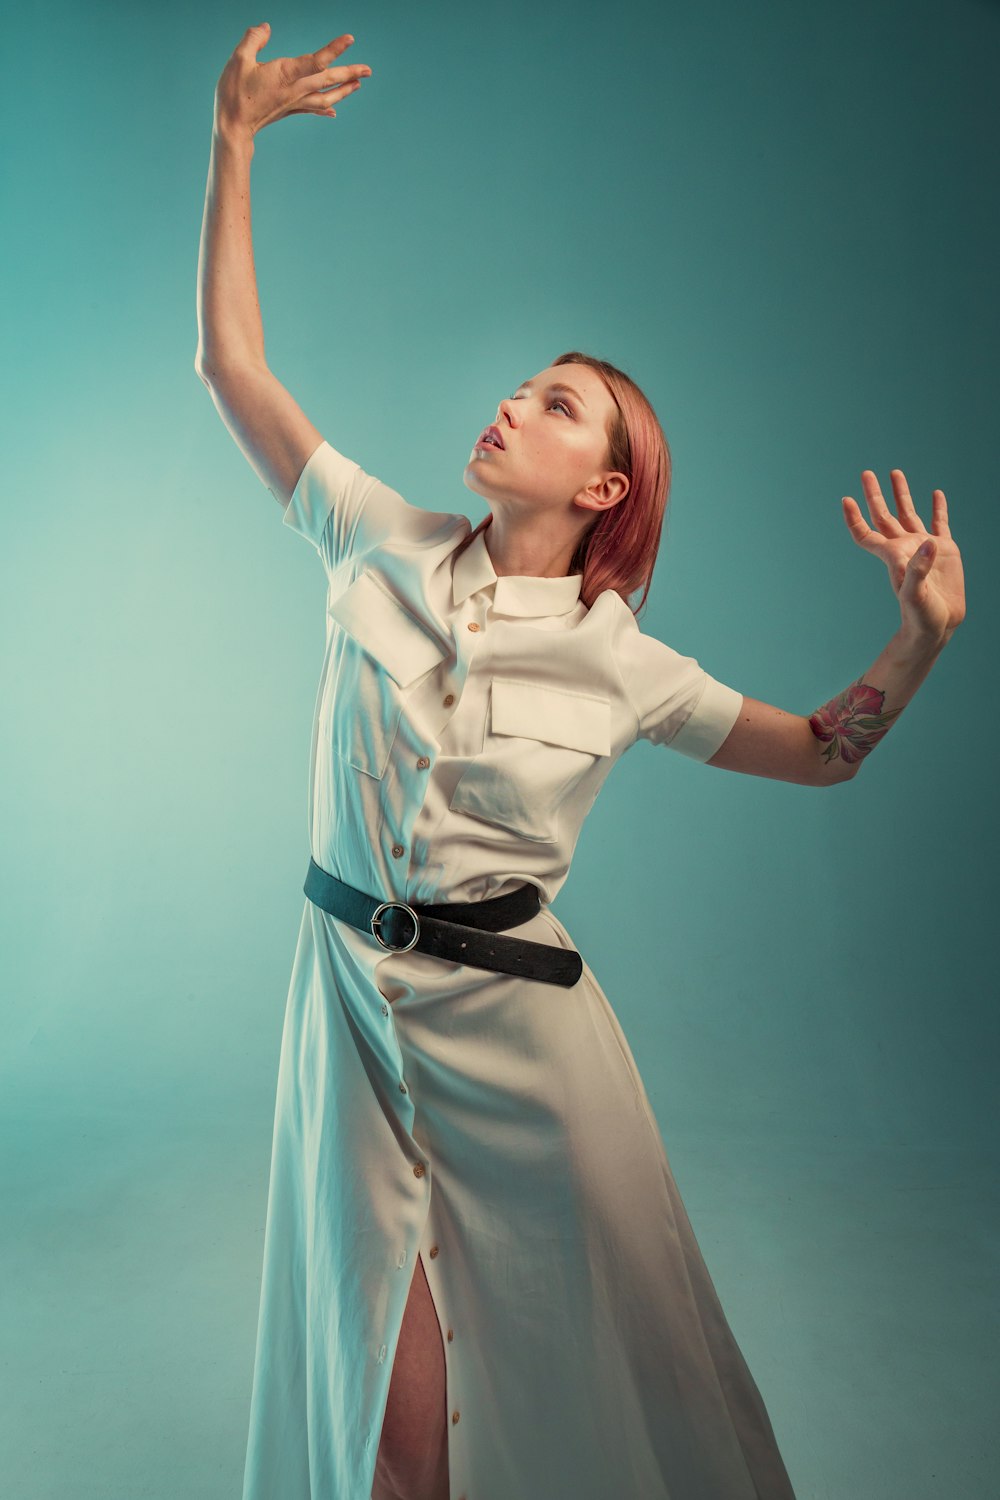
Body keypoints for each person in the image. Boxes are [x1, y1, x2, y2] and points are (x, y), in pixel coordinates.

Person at [196, 26, 967, 1500]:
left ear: (602, 485)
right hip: (353, 1026)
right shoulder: (378, 535)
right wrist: (231, 144)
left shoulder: (623, 662)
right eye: (522, 384)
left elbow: (820, 756)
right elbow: (231, 362)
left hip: (530, 1053)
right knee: (387, 1429)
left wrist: (920, 642)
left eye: (558, 405)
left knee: (624, 1386)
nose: (514, 405)